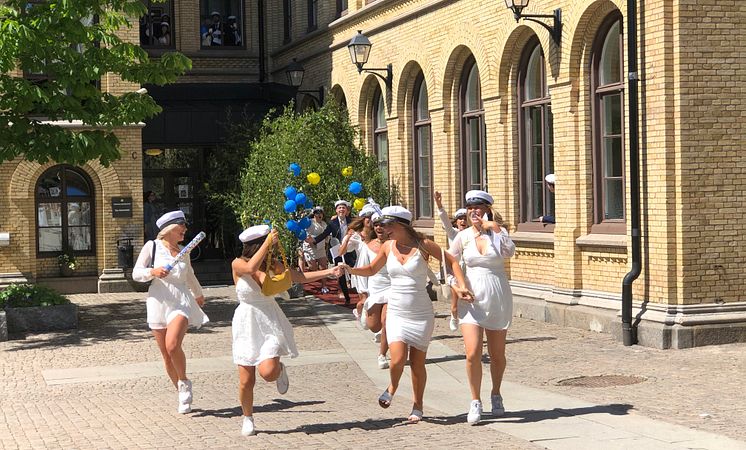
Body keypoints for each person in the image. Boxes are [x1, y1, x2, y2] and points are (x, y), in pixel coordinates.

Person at [343, 206, 472, 423]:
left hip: (421, 312)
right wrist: (349, 269)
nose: (383, 230)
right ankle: (392, 386)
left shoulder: (423, 245)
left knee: (417, 363)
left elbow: (451, 261)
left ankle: (417, 405)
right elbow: (372, 269)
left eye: (387, 225)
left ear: (401, 225)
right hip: (397, 310)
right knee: (397, 359)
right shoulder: (387, 246)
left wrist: (460, 284)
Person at [231, 225, 343, 436]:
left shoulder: (274, 264)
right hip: (246, 322)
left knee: (268, 372)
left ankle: (279, 369)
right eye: (268, 243)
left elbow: (299, 277)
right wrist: (267, 243)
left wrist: (329, 271)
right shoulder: (238, 263)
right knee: (246, 380)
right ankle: (248, 417)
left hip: (270, 319)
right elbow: (250, 269)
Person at [448, 190, 515, 425]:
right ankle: (475, 400)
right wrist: (455, 287)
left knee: (497, 355)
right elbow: (449, 264)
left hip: (497, 296)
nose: (474, 211)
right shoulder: (462, 236)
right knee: (472, 352)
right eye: (470, 208)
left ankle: (496, 392)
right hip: (472, 300)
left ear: (487, 209)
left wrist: (494, 228)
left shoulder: (498, 233)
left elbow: (510, 252)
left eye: (479, 207)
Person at [132, 210, 208, 414]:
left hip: (180, 301)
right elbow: (136, 273)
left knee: (173, 345)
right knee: (166, 355)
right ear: (168, 230)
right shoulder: (152, 247)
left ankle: (184, 380)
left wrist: (198, 294)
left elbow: (189, 274)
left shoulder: (185, 250)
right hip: (158, 302)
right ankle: (181, 391)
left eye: (184, 226)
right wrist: (153, 272)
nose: (184, 229)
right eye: (180, 226)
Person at [306, 200, 355, 305]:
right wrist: (314, 240)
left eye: (343, 208)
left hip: (350, 249)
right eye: (339, 208)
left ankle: (354, 286)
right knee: (340, 271)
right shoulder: (332, 223)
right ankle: (345, 295)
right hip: (337, 249)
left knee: (352, 269)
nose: (341, 210)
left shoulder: (352, 221)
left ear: (346, 210)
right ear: (336, 210)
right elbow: (324, 234)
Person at [434, 191, 469, 331]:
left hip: (470, 270)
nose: (463, 221)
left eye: (465, 218)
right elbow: (445, 221)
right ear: (456, 222)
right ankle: (454, 315)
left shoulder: (473, 233)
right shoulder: (453, 233)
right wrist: (439, 205)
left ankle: (470, 324)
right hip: (456, 270)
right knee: (455, 301)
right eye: (460, 219)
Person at [360, 212, 392, 369]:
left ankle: (382, 354)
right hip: (375, 286)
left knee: (387, 321)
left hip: (393, 287)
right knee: (374, 326)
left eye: (383, 224)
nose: (379, 227)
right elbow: (363, 268)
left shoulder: (395, 244)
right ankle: (365, 314)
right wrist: (363, 293)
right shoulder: (368, 246)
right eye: (377, 224)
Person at [339, 204, 376, 323]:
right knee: (364, 299)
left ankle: (373, 321)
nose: (370, 220)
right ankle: (358, 311)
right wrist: (347, 239)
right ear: (363, 219)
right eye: (368, 217)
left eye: (372, 217)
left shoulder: (379, 233)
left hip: (376, 268)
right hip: (361, 270)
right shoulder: (355, 235)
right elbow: (341, 252)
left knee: (375, 297)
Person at [301, 206, 330, 293]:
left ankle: (324, 286)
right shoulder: (309, 223)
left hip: (321, 248)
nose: (319, 215)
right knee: (312, 267)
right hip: (310, 247)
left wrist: (326, 242)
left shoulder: (324, 224)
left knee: (323, 267)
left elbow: (326, 235)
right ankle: (308, 277)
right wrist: (307, 239)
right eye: (317, 213)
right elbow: (304, 232)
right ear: (314, 214)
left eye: (321, 213)